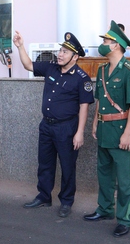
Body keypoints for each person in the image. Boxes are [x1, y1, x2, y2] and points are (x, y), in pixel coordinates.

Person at [13, 30, 94, 218]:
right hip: (47, 126)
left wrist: (80, 132)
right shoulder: (51, 67)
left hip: (67, 128)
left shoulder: (81, 78)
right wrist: (20, 46)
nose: (60, 54)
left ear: (74, 57)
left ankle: (66, 201)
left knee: (67, 166)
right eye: (60, 50)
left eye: (65, 52)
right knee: (45, 163)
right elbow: (28, 65)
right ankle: (44, 196)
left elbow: (84, 107)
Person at [83, 20, 130, 238]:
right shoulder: (102, 70)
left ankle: (125, 218)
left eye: (106, 40)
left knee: (125, 180)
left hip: (121, 130)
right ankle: (105, 209)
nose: (103, 44)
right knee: (105, 175)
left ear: (116, 44)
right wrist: (95, 121)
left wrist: (127, 133)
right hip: (105, 129)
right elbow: (100, 98)